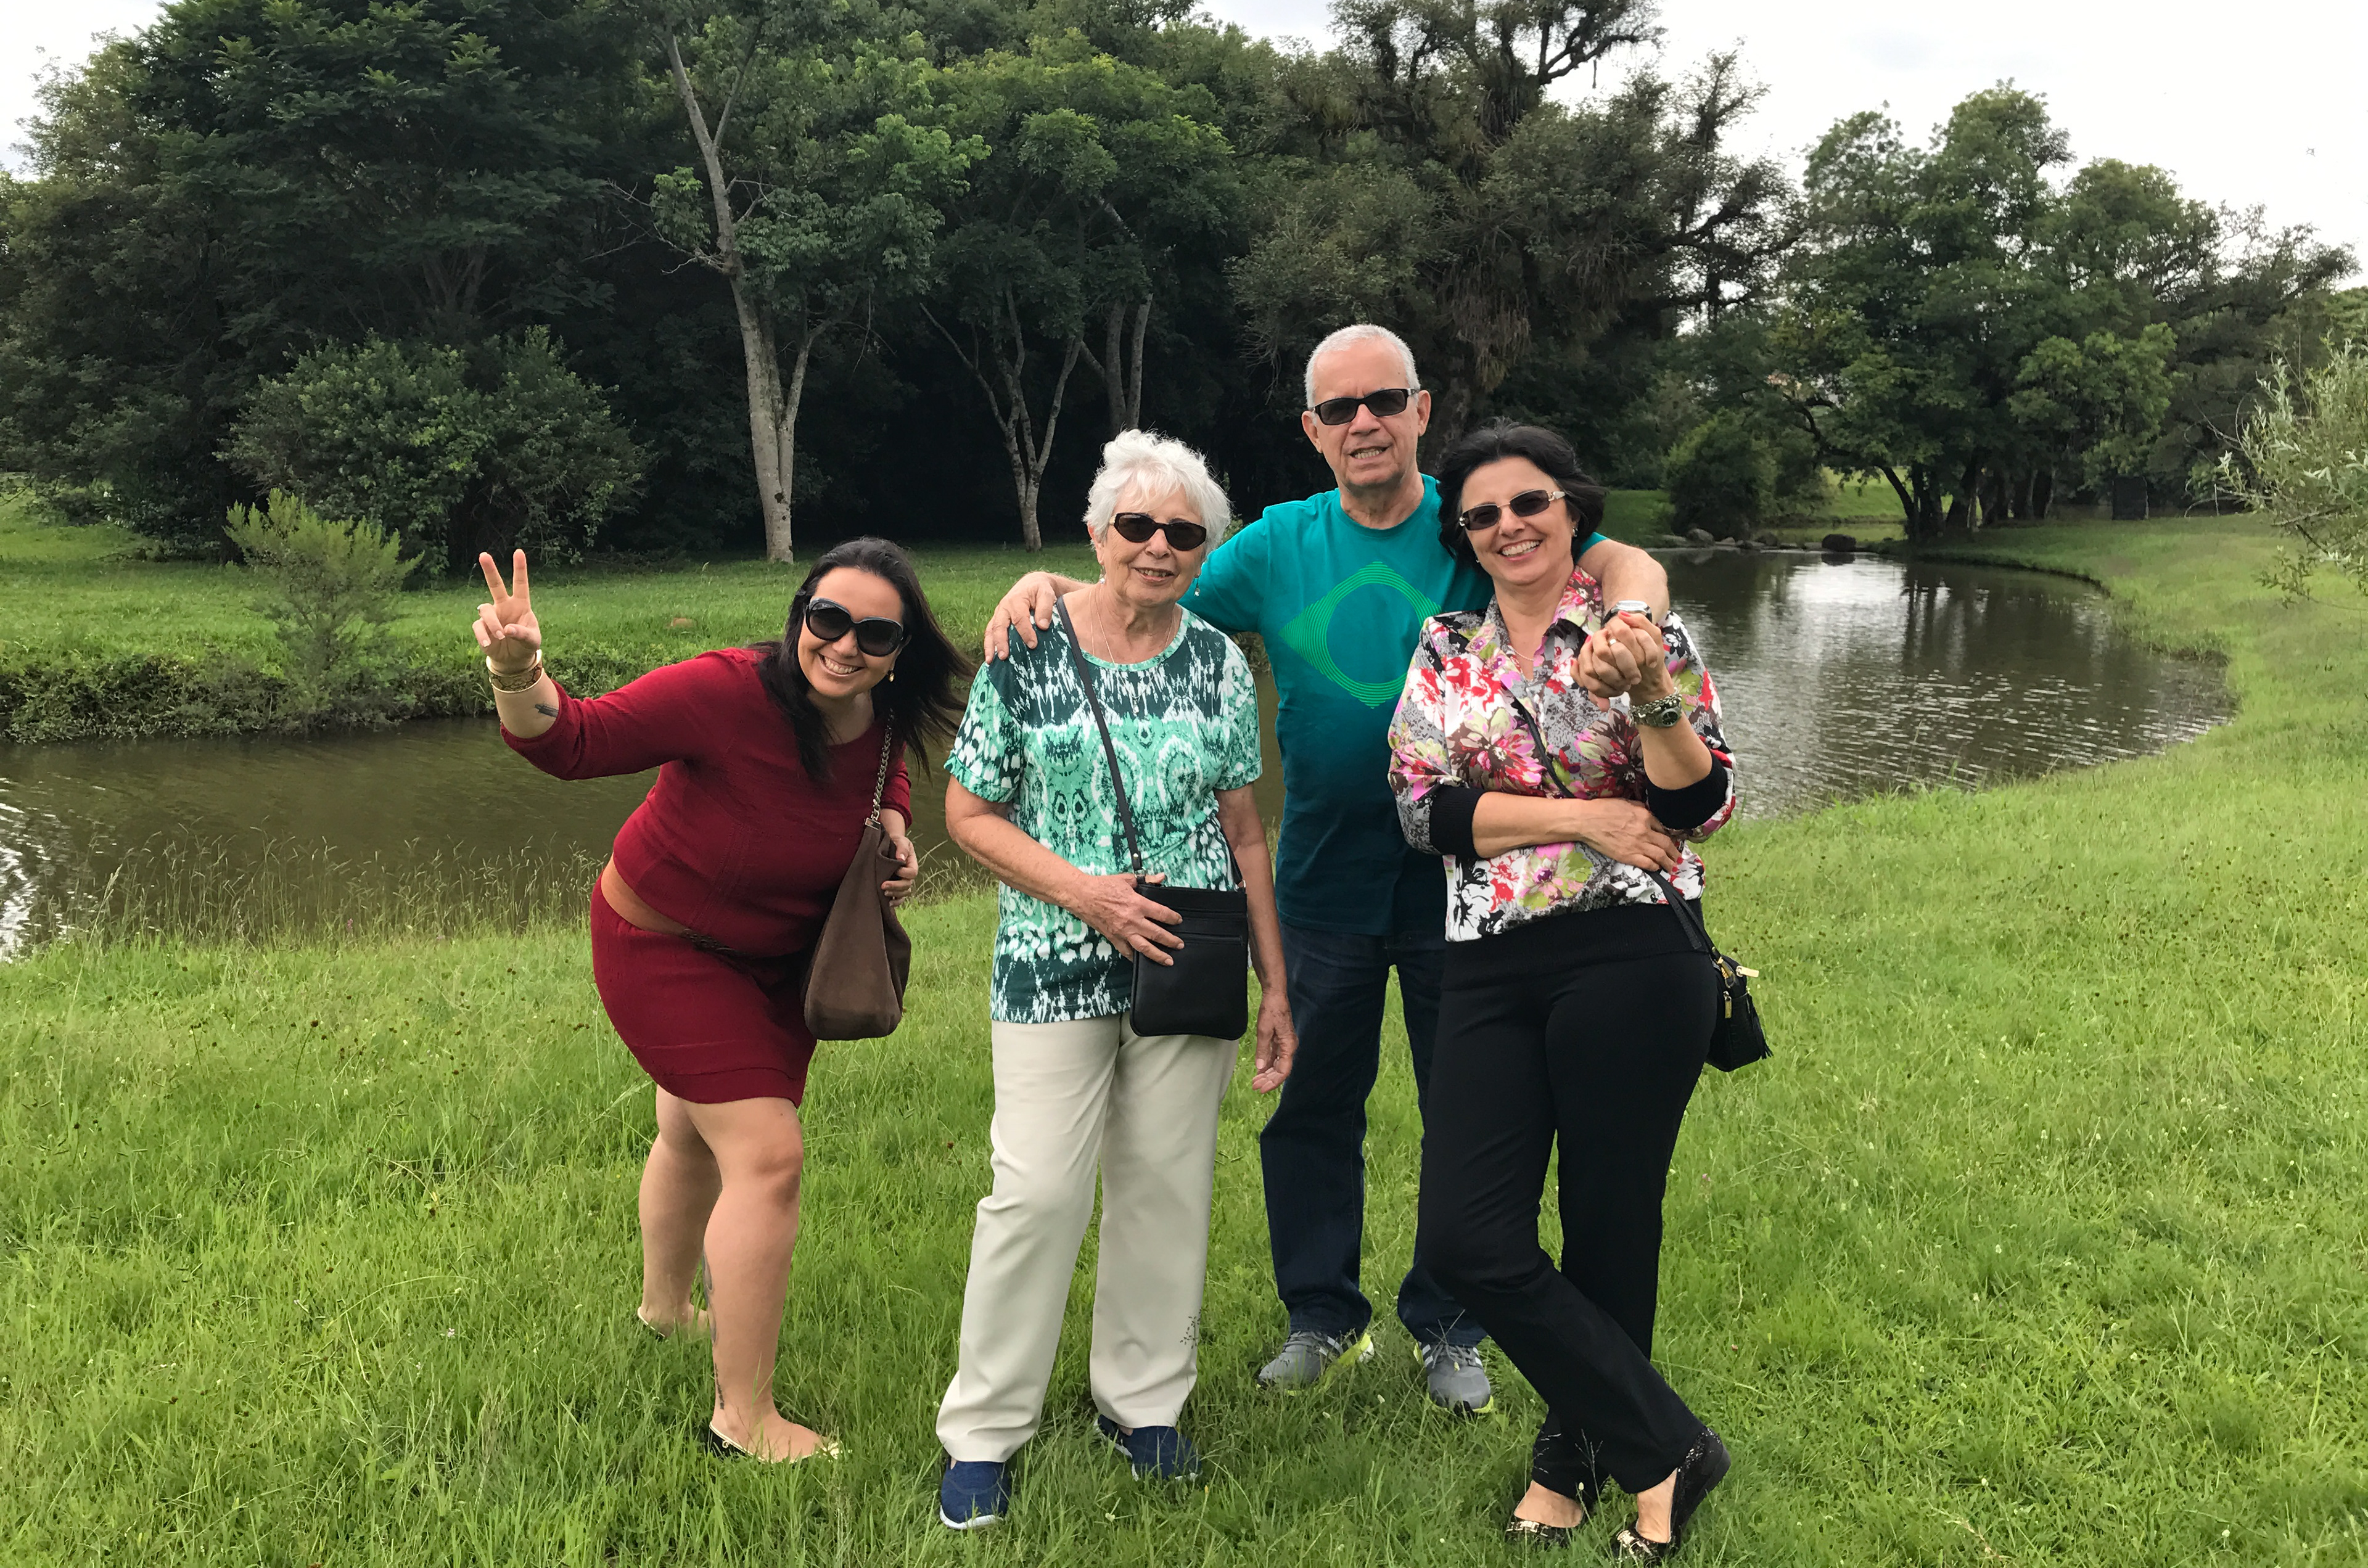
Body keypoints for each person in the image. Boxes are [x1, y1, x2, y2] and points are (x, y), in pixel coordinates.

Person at [985, 325, 1669, 1413]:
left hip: (1473, 885)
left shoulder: (1471, 519)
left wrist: (1632, 614)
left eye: (1384, 401)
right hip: (1321, 881)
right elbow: (1149, 584)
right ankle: (1321, 1313)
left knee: (1471, 1117)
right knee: (1311, 1109)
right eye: (1340, 408)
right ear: (1312, 429)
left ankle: (1451, 1323)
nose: (1364, 423)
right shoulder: (1276, 545)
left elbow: (1616, 558)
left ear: (1421, 410)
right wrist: (1043, 584)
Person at [477, 536, 966, 1463]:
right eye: (829, 619)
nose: (846, 646)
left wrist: (894, 828)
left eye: (875, 634)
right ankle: (744, 1421)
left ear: (900, 652)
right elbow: (570, 742)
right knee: (769, 1157)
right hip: (662, 947)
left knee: (690, 1131)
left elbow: (887, 771)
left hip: (776, 963)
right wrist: (517, 671)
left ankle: (665, 1311)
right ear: (799, 614)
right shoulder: (723, 691)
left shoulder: (880, 713)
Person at [935, 431, 1297, 1530]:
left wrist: (1276, 984)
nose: (1158, 546)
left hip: (1190, 958)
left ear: (1205, 549)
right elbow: (968, 812)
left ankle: (1142, 1406)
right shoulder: (1027, 645)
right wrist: (1085, 893)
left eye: (1184, 532)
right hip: (1051, 962)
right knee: (1035, 1193)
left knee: (1166, 1188)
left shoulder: (1218, 661)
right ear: (1096, 535)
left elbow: (1245, 829)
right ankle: (985, 1429)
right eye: (1136, 525)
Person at [1388, 421, 1735, 1559]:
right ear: (1464, 538)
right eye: (1483, 515)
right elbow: (1423, 811)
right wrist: (1584, 816)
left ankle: (1570, 1464)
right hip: (1487, 959)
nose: (1509, 526)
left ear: (1572, 509)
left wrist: (1655, 699)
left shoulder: (1638, 629)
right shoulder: (1447, 648)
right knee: (1467, 1238)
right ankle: (1670, 1444)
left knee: (1609, 1223)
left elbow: (1699, 807)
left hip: (1634, 955)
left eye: (1529, 502)